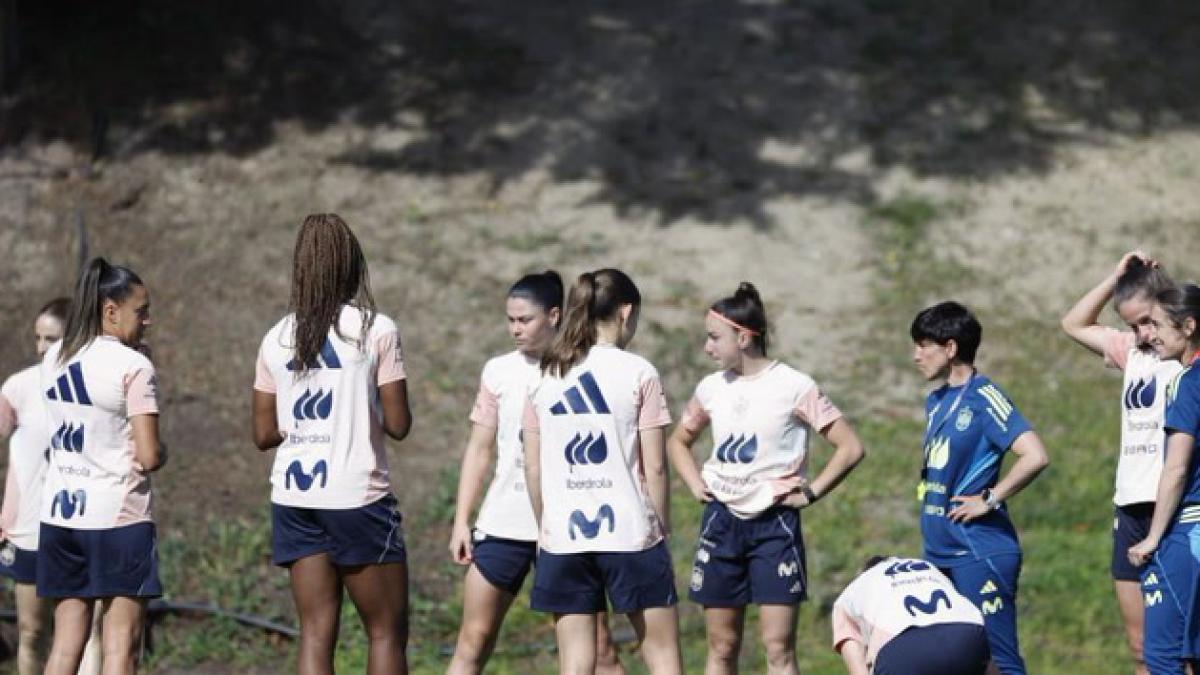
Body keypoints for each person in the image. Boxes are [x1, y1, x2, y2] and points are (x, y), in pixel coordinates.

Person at [666, 282, 865, 675]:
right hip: (721, 523)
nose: (707, 348)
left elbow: (850, 447)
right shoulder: (710, 388)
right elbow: (678, 441)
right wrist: (694, 483)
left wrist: (810, 493)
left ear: (743, 337)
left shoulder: (794, 385)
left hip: (774, 526)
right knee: (722, 646)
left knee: (778, 649)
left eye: (714, 337)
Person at [252, 214, 412, 675]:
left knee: (317, 633)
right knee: (385, 632)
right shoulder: (374, 329)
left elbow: (263, 434)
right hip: (355, 495)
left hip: (295, 496)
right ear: (351, 266)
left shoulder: (277, 336)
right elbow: (398, 424)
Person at [448, 271, 625, 674]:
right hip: (505, 525)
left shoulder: (585, 368)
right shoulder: (498, 371)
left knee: (600, 653)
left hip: (569, 530)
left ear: (554, 316)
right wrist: (462, 521)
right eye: (510, 320)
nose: (515, 329)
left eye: (524, 320)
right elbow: (479, 449)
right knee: (473, 640)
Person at [522, 268, 682, 675]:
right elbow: (657, 465)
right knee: (663, 660)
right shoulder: (639, 372)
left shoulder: (545, 374)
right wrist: (661, 526)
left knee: (575, 666)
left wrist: (546, 526)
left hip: (564, 535)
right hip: (630, 532)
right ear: (626, 312)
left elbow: (534, 467)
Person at [910, 301, 1050, 675]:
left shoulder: (985, 397)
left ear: (951, 347)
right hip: (940, 552)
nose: (916, 355)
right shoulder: (936, 401)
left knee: (1000, 661)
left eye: (924, 344)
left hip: (978, 550)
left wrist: (990, 499)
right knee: (958, 663)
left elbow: (1034, 455)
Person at [39, 259, 163, 675]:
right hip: (117, 518)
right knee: (119, 649)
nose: (148, 319)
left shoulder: (55, 354)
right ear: (111, 311)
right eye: (140, 310)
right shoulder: (134, 367)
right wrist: (163, 452)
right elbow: (148, 457)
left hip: (60, 515)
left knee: (64, 646)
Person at [1062, 251, 1181, 674]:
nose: (1141, 333)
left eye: (1147, 321)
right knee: (1140, 646)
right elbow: (1073, 323)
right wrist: (1114, 279)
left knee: (1181, 645)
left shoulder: (1184, 352)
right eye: (1132, 325)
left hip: (1174, 505)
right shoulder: (1131, 350)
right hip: (1130, 504)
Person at [1128, 283, 1200, 673]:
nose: (1149, 335)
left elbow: (1175, 469)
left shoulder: (1190, 384)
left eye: (1156, 324)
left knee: (1163, 656)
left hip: (1189, 533)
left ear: (1188, 326)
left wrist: (1154, 536)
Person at [1, 298, 70, 674]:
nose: (42, 348)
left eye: (52, 338)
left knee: (78, 633)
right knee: (31, 630)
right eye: (38, 338)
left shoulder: (94, 388)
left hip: (78, 528)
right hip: (29, 533)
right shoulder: (20, 387)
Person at [831, 555, 989, 675]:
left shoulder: (850, 595)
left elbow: (858, 670)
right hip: (967, 635)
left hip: (905, 649)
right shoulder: (928, 568)